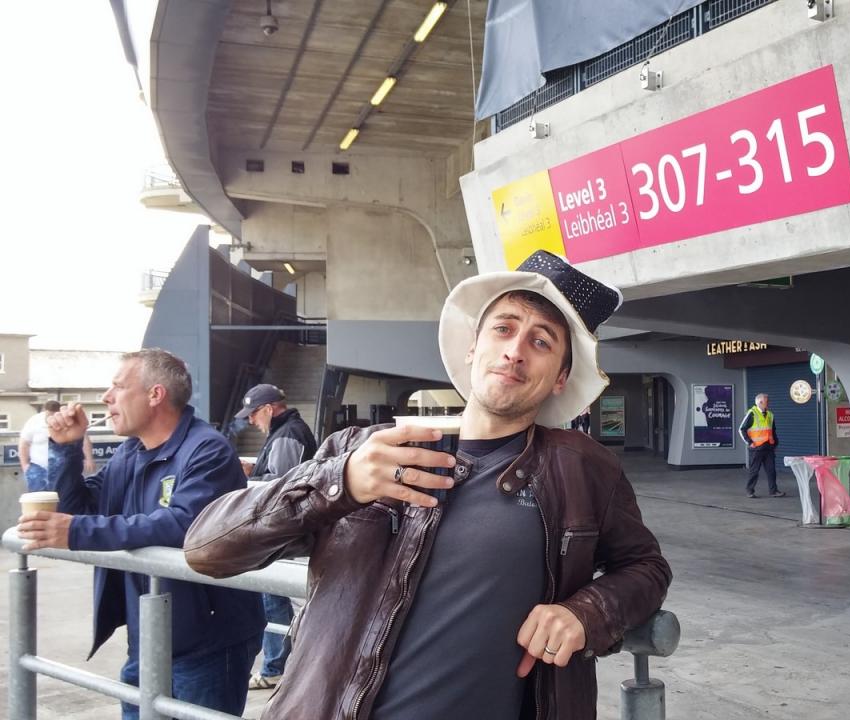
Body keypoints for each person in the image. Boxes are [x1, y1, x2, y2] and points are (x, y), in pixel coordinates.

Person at [184, 250, 672, 720]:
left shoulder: (582, 469)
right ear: (473, 347)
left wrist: (586, 613)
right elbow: (208, 549)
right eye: (503, 328)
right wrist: (340, 482)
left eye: (541, 341)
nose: (515, 350)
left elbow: (646, 567)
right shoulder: (362, 450)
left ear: (561, 377)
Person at [16, 349, 265, 719]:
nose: (106, 397)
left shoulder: (207, 448)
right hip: (149, 637)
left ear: (155, 394)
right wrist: (67, 449)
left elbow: (183, 524)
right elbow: (80, 509)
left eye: (117, 386)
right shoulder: (130, 453)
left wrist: (76, 531)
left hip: (209, 642)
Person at [234, 383, 318, 690]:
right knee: (279, 598)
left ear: (269, 409)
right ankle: (281, 665)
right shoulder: (289, 431)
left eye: (253, 414)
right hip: (293, 530)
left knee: (274, 598)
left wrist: (248, 477)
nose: (251, 421)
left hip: (283, 532)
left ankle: (275, 667)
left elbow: (281, 485)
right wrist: (256, 467)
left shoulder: (287, 434)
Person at [740, 392, 785, 498]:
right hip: (757, 448)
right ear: (760, 402)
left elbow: (772, 431)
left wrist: (775, 443)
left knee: (771, 470)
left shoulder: (770, 414)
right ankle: (750, 491)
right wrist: (750, 442)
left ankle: (773, 491)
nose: (768, 403)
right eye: (766, 401)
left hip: (768, 447)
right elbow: (742, 429)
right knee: (754, 471)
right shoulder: (752, 413)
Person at [19, 400, 61, 491]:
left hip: (60, 468)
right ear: (44, 411)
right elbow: (24, 444)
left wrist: (88, 458)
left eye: (53, 415)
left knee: (60, 498)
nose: (51, 418)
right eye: (48, 415)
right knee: (38, 498)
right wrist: (25, 466)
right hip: (38, 467)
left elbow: (83, 439)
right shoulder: (34, 421)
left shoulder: (64, 420)